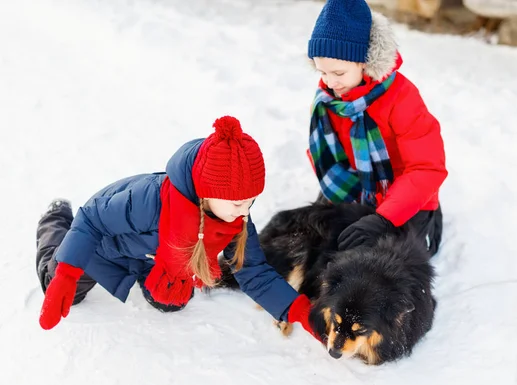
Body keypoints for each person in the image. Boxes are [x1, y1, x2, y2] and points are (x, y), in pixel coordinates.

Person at [36, 115, 315, 338]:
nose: (244, 212)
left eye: (250, 202)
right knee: (61, 291)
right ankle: (56, 218)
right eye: (236, 203)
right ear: (206, 192)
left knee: (171, 301)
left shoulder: (235, 217)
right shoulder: (150, 200)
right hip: (104, 244)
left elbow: (253, 272)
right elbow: (92, 221)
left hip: (152, 255)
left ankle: (144, 269)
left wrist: (301, 311)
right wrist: (66, 274)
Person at [306, 0, 448, 256]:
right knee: (322, 245)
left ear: (364, 62)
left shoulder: (402, 98)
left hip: (403, 197)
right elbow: (327, 155)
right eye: (322, 72)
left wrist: (383, 218)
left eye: (338, 73)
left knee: (388, 258)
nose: (329, 82)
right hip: (357, 188)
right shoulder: (329, 99)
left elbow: (426, 167)